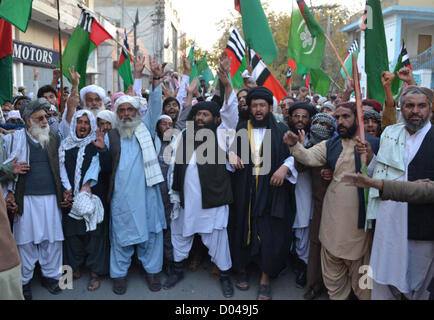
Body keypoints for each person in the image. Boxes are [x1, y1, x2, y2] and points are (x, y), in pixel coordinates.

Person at [87, 56, 166, 295]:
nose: (127, 113)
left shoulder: (147, 126)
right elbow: (97, 164)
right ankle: (119, 275)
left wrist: (154, 79)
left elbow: (154, 106)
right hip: (122, 195)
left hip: (147, 193)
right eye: (122, 110)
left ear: (137, 112)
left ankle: (152, 271)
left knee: (151, 234)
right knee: (121, 235)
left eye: (131, 109)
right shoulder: (111, 135)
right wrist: (87, 184)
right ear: (116, 114)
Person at [284, 102, 379, 300]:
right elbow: (309, 157)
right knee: (333, 274)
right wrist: (294, 145)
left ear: (357, 119)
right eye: (337, 118)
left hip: (359, 226)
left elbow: (385, 177)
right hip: (332, 220)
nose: (340, 122)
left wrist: (370, 157)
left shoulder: (373, 143)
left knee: (364, 278)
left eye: (346, 117)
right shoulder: (331, 144)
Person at [164, 53, 238, 298]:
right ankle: (177, 269)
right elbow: (182, 111)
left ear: (215, 119)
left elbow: (230, 112)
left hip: (212, 200)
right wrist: (186, 81)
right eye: (199, 115)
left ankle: (225, 276)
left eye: (206, 115)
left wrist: (226, 83)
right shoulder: (184, 135)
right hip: (185, 199)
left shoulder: (222, 134)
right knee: (180, 234)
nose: (201, 118)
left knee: (217, 239)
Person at [364, 86, 433, 300]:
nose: (415, 111)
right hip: (388, 221)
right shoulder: (390, 135)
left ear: (430, 109)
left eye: (421, 106)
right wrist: (369, 158)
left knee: (419, 286)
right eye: (410, 106)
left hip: (422, 227)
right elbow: (377, 171)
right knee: (384, 281)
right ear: (401, 109)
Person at [228, 86, 297, 300]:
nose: (258, 109)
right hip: (244, 189)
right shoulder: (241, 126)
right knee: (242, 226)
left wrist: (285, 167)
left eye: (262, 106)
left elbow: (294, 154)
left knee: (270, 232)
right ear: (249, 107)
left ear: (269, 107)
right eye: (254, 105)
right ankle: (242, 269)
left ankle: (266, 278)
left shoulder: (281, 128)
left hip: (272, 190)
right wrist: (230, 155)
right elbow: (228, 150)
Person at [5, 99, 65, 300]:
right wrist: (9, 194)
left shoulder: (53, 138)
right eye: (39, 118)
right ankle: (24, 282)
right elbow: (6, 168)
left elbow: (61, 167)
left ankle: (52, 276)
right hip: (26, 200)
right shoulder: (14, 139)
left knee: (53, 240)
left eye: (46, 117)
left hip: (50, 199)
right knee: (25, 243)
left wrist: (67, 189)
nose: (44, 121)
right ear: (27, 120)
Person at [58, 110, 111, 292]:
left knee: (95, 236)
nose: (83, 126)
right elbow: (60, 169)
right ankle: (74, 269)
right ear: (74, 124)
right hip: (71, 198)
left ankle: (95, 274)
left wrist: (103, 149)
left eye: (87, 123)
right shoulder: (66, 144)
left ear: (91, 126)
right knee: (73, 236)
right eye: (79, 122)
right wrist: (66, 191)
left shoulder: (96, 143)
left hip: (94, 197)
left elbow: (107, 168)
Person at [303, 112, 336, 300]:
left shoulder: (338, 146)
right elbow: (301, 166)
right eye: (318, 123)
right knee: (315, 247)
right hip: (319, 207)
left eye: (326, 124)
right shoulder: (311, 147)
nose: (321, 127)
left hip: (339, 207)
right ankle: (314, 285)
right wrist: (300, 146)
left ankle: (336, 288)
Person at [287, 101, 317, 289]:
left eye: (304, 116)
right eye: (296, 116)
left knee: (302, 229)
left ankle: (304, 267)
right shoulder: (283, 133)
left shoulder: (315, 139)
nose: (300, 120)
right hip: (284, 190)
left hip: (305, 190)